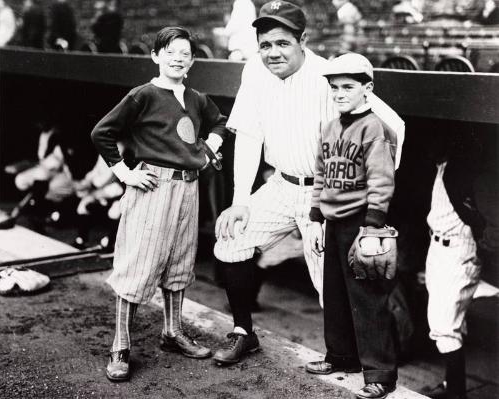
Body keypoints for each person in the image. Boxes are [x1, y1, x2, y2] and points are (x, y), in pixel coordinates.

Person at [213, 0, 405, 367]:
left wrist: (364, 196)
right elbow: (249, 136)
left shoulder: (327, 73)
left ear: (304, 40)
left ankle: (360, 364)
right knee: (231, 238)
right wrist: (240, 199)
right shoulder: (254, 71)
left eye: (283, 43)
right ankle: (243, 332)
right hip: (282, 185)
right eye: (265, 44)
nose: (273, 52)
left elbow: (392, 126)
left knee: (331, 289)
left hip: (327, 194)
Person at [91, 26, 228, 382]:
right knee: (138, 264)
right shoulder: (143, 94)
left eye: (185, 53)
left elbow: (219, 122)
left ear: (193, 61)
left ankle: (172, 332)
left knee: (180, 261)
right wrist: (125, 174)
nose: (178, 58)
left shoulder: (196, 97)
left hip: (188, 188)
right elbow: (102, 132)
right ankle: (120, 346)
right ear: (156, 56)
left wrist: (210, 144)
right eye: (170, 52)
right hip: (152, 186)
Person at [307, 53, 398, 399]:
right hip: (333, 221)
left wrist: (373, 226)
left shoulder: (374, 127)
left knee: (368, 299)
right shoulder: (330, 127)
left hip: (361, 223)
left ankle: (380, 374)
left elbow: (381, 180)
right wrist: (315, 218)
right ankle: (342, 357)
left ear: (367, 88)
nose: (340, 93)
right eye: (335, 88)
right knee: (336, 294)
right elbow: (320, 176)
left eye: (348, 87)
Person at [419, 130, 498, 399]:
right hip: (438, 248)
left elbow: (483, 214)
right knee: (452, 322)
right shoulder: (444, 167)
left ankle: (456, 393)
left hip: (456, 249)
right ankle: (451, 385)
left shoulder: (461, 171)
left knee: (444, 325)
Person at [72, 152, 124, 252]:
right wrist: (87, 181)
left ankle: (109, 243)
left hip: (117, 189)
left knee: (114, 212)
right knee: (83, 205)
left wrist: (92, 186)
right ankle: (81, 239)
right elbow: (96, 170)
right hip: (101, 189)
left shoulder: (122, 149)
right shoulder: (103, 149)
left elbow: (110, 177)